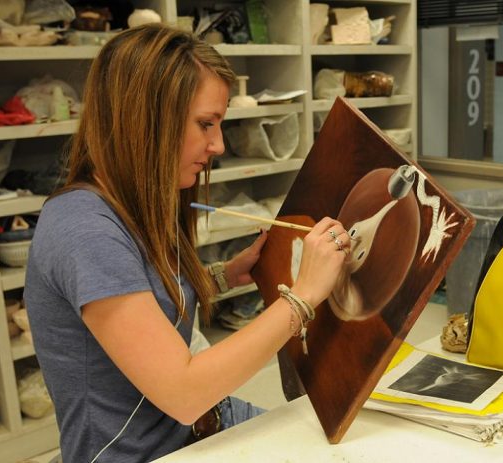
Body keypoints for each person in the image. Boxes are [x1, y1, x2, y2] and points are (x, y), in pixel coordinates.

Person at [24, 23, 351, 462]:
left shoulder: (134, 201)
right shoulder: (85, 229)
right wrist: (302, 298)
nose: (217, 145)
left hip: (205, 424)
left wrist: (222, 275)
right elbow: (184, 392)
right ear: (144, 120)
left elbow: (147, 302)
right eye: (205, 124)